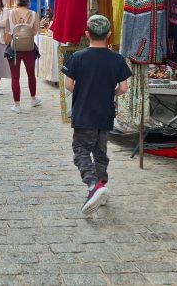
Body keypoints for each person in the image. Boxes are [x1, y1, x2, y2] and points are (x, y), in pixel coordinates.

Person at [62, 15, 132, 215]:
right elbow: (124, 88)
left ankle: (94, 185)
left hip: (84, 112)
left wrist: (83, 91)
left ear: (86, 34)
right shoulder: (117, 59)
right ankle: (101, 184)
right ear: (109, 35)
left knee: (81, 150)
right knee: (100, 152)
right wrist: (111, 93)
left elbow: (68, 85)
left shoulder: (78, 57)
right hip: (105, 113)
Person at [7, 0, 42, 113]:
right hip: (29, 48)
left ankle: (17, 105)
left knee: (15, 77)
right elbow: (34, 32)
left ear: (17, 0)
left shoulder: (10, 13)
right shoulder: (33, 14)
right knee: (31, 74)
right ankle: (33, 98)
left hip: (14, 48)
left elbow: (8, 30)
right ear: (28, 1)